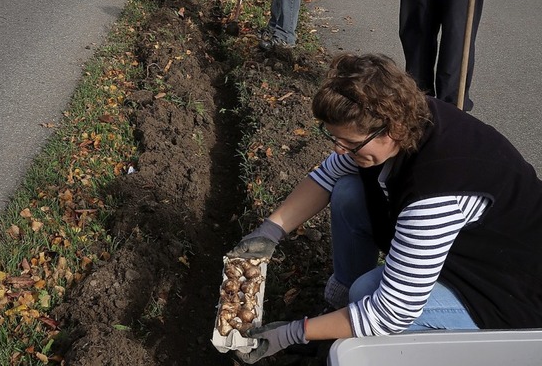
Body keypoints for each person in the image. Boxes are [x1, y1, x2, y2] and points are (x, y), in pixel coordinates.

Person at [228, 52, 542, 363]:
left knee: (367, 292)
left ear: (390, 130)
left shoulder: (433, 193)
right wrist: (269, 231)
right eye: (334, 139)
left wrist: (294, 332)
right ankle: (337, 313)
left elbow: (391, 313)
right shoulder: (410, 119)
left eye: (349, 144)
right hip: (470, 252)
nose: (340, 150)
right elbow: (328, 176)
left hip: (511, 295)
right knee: (349, 191)